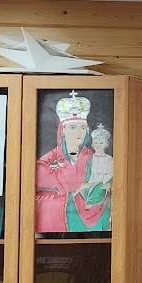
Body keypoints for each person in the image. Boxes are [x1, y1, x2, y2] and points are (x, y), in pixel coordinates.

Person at [35, 92, 96, 233]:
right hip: (56, 228)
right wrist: (71, 196)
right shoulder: (45, 163)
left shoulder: (95, 159)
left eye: (82, 128)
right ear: (63, 130)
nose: (78, 133)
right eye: (73, 127)